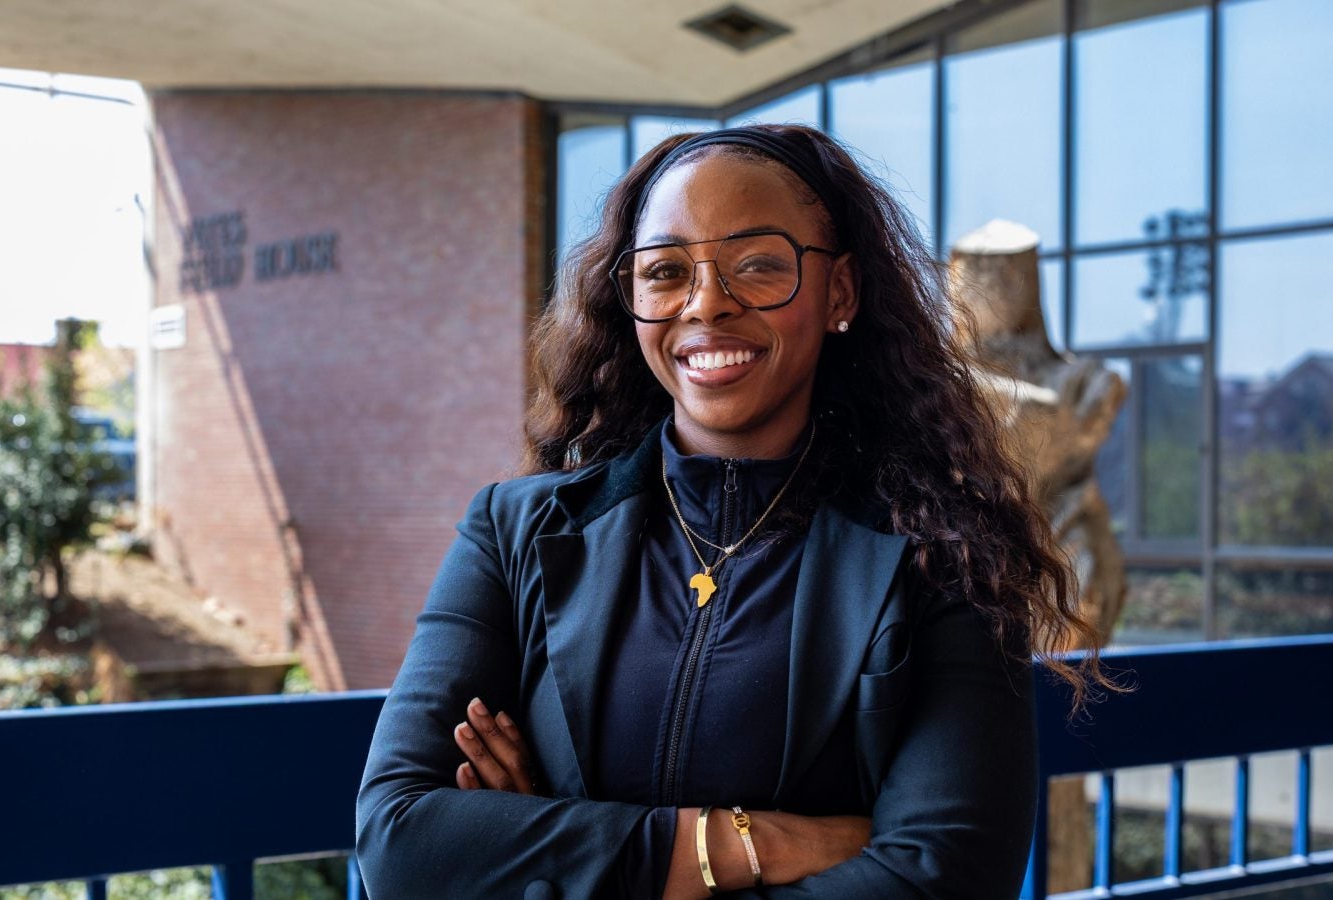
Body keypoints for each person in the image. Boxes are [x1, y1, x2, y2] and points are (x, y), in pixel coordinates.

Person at [356, 123, 1119, 899]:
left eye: (758, 265)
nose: (707, 304)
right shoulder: (513, 531)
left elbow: (947, 880)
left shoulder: (943, 557)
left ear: (840, 292)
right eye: (665, 271)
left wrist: (554, 854)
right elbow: (399, 844)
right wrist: (751, 842)